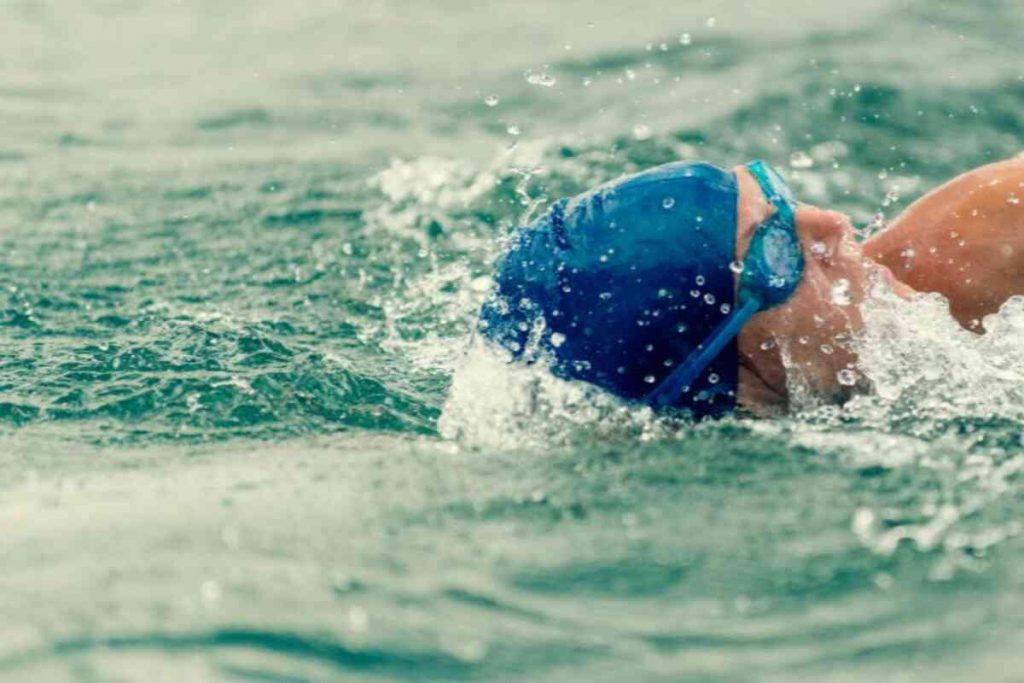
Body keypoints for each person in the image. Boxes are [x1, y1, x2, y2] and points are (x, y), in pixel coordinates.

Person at [476, 154, 1024, 418]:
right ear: (732, 376)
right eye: (780, 251)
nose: (832, 224)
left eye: (778, 197)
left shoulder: (969, 249)